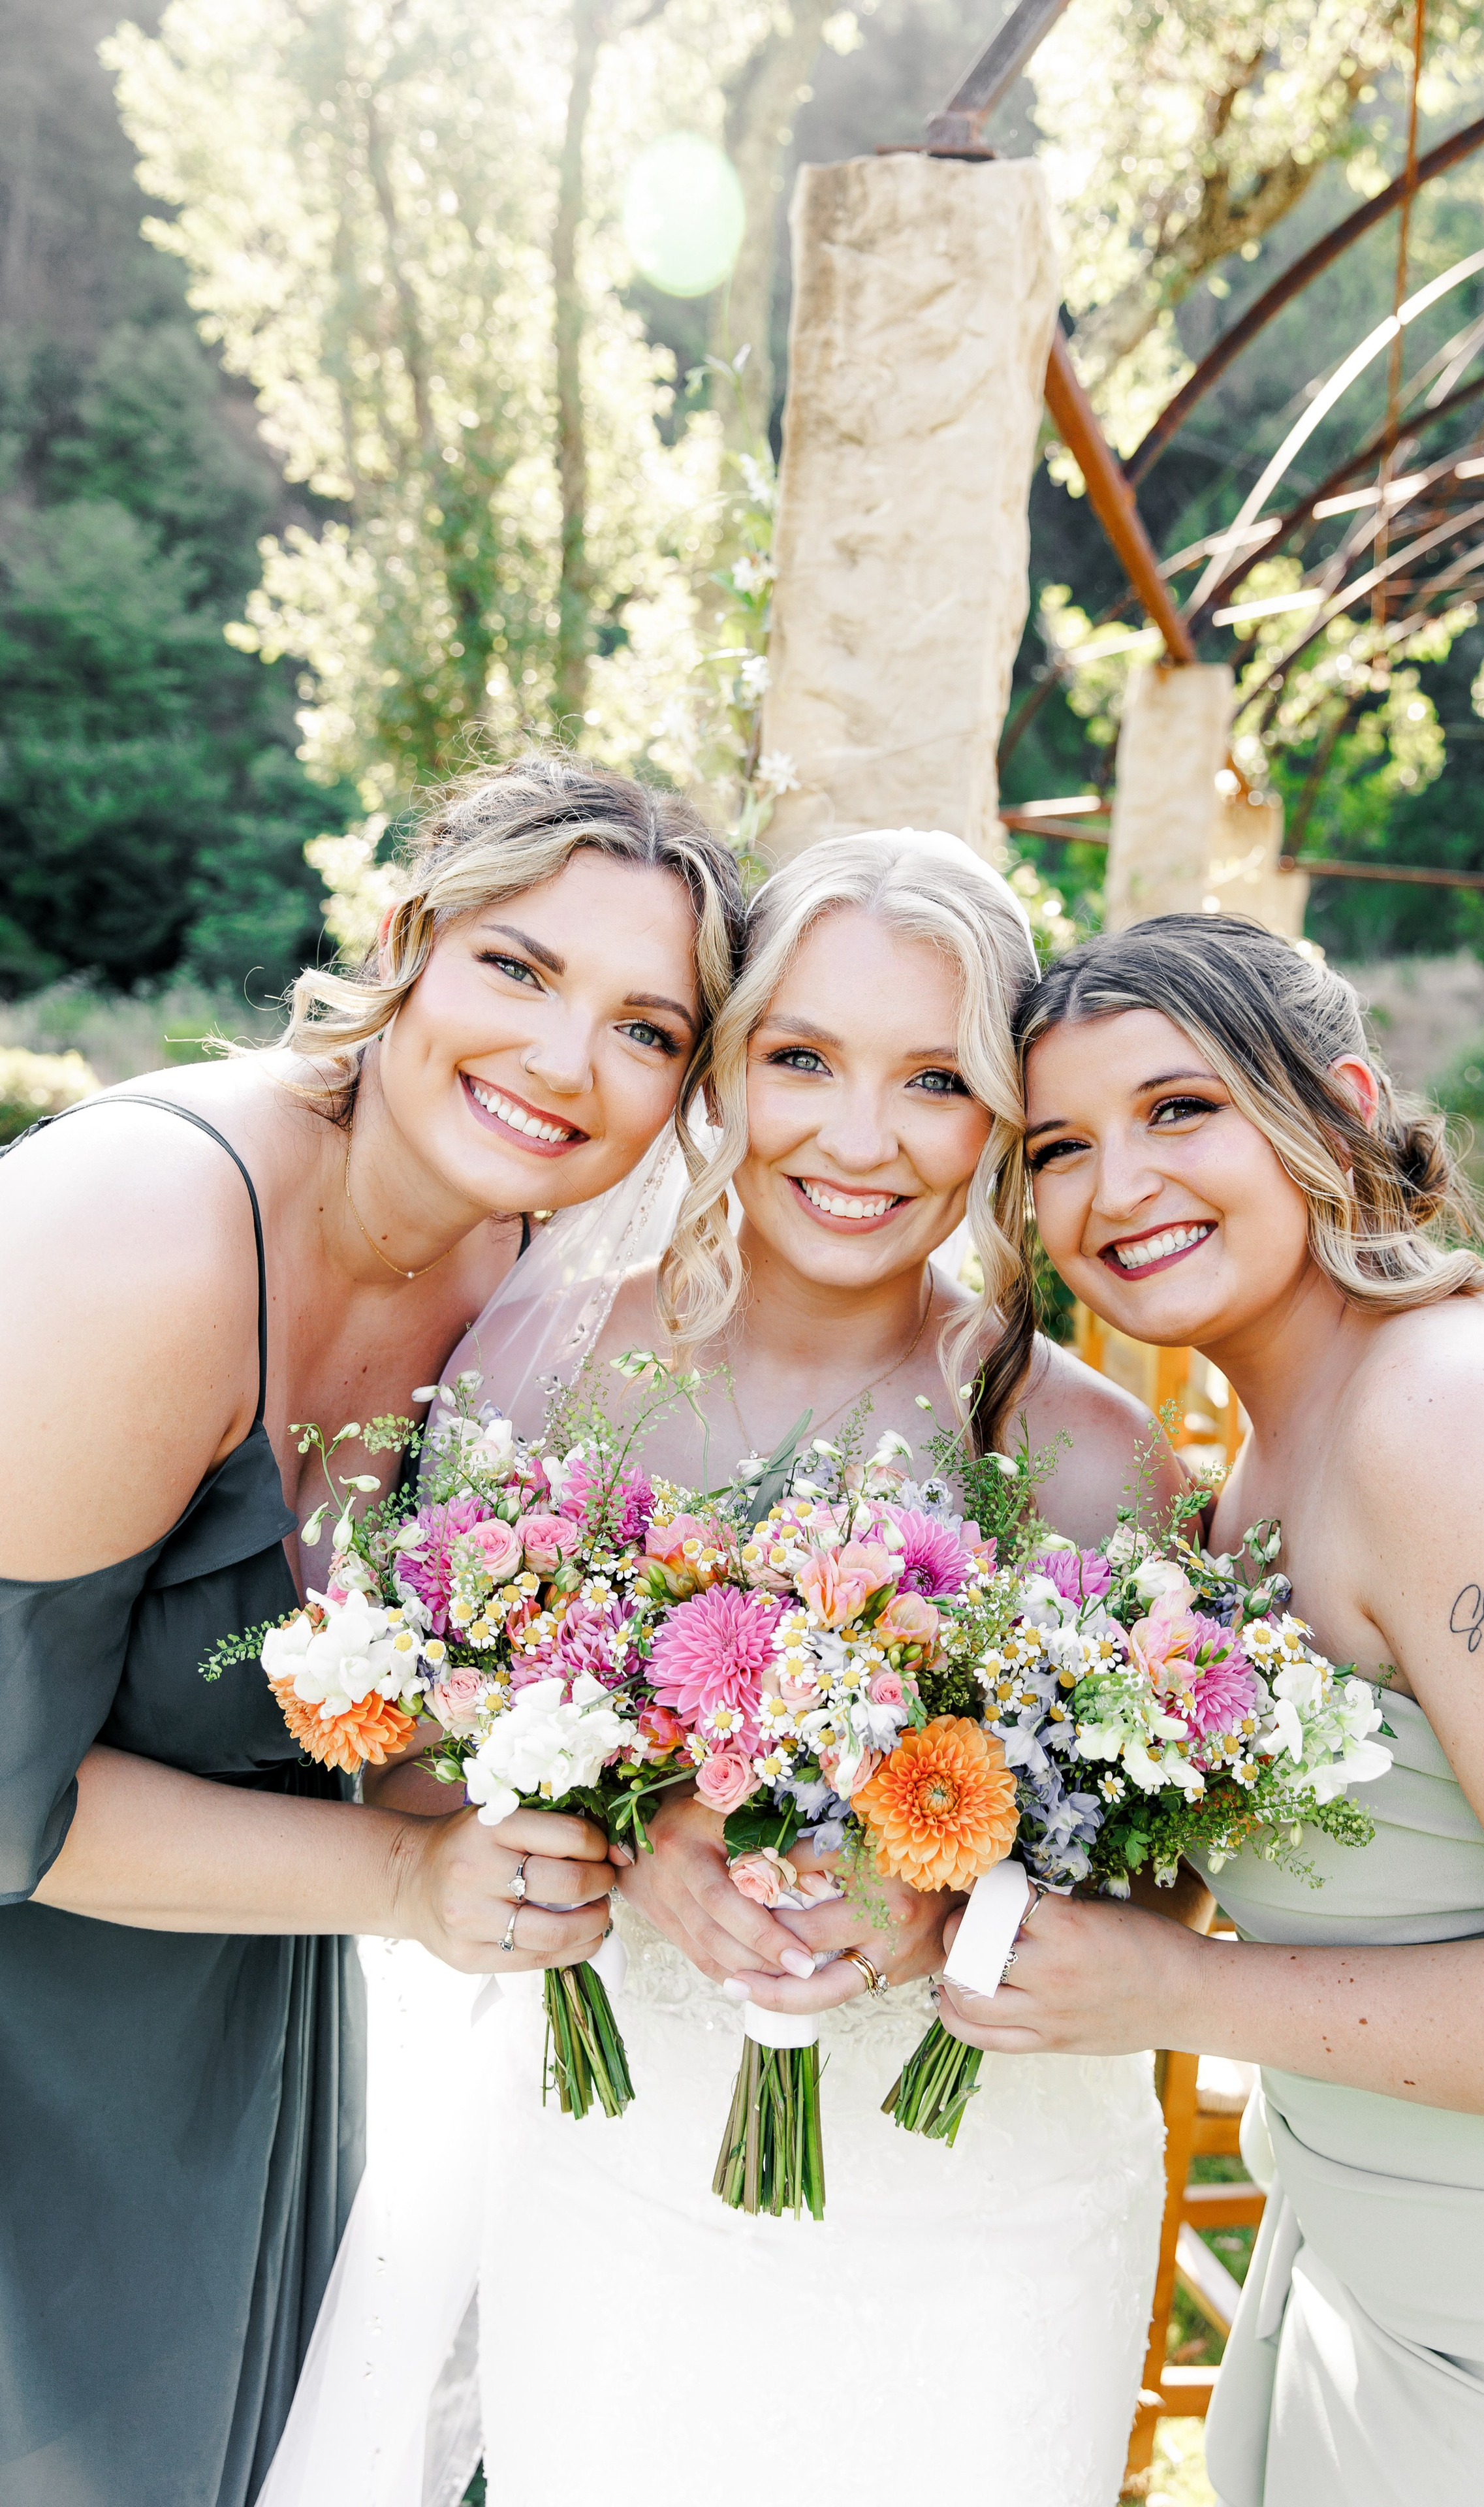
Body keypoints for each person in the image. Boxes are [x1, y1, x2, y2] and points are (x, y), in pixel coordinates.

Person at [366, 829, 1190, 2507]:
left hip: (987, 2229)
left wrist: (955, 1907)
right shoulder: (540, 1368)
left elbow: (1172, 1892)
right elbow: (406, 1775)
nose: (860, 1140)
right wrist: (634, 1849)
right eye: (801, 1058)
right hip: (620, 2191)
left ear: (1000, 1122)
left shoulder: (1096, 1459)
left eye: (935, 1082)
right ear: (720, 1071)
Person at [0, 752, 746, 2507]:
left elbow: (408, 1730)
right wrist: (409, 1885)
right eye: (519, 969)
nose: (564, 1061)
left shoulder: (531, 1288)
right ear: (405, 939)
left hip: (233, 2018)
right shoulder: (141, 1233)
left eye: (645, 1030)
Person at [934, 911, 1484, 2505]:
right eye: (1058, 1148)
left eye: (1177, 1109)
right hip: (1385, 2293)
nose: (1116, 1186)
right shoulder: (1243, 1482)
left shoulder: (1456, 1417)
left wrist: (1172, 1991)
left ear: (1335, 1111)